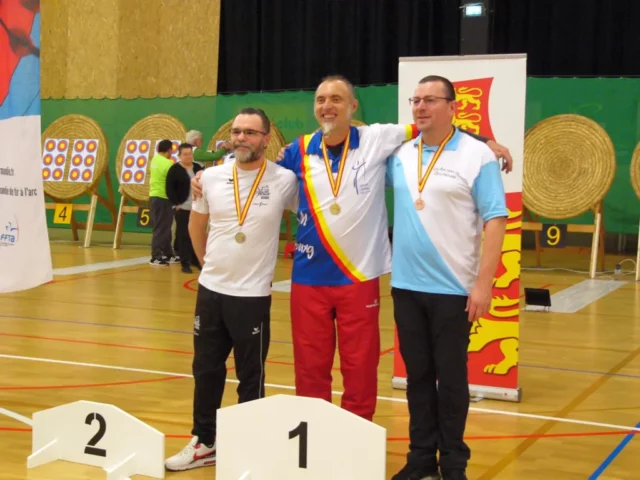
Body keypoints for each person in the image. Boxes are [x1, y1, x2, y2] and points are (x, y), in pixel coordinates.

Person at [190, 75, 513, 422]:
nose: (327, 106)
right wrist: (204, 178)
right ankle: (315, 434)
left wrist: (485, 141)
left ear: (353, 106)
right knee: (310, 368)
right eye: (320, 100)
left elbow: (433, 126)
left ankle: (357, 437)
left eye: (336, 99)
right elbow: (254, 174)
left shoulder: (378, 138)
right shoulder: (297, 150)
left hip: (358, 275)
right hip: (309, 279)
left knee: (360, 366)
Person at [386, 75, 508, 480]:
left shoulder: (478, 156)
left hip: (454, 290)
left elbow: (495, 219)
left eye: (430, 100)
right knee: (417, 378)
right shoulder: (400, 154)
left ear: (452, 107)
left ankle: (453, 463)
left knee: (452, 380)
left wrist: (483, 284)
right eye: (416, 100)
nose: (420, 107)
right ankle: (421, 457)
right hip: (406, 288)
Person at [164, 108, 298, 472]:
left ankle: (248, 445)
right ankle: (204, 441)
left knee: (251, 375)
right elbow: (196, 225)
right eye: (237, 131)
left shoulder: (285, 180)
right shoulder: (209, 177)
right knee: (205, 368)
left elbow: (312, 213)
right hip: (211, 292)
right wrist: (207, 265)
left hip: (252, 296)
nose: (241, 138)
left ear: (266, 139)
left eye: (250, 132)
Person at [165, 143, 203, 274]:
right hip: (182, 208)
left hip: (197, 208)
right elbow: (169, 189)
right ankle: (185, 263)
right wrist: (176, 204)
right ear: (180, 156)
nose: (188, 157)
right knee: (184, 235)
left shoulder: (198, 167)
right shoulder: (174, 170)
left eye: (190, 154)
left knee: (196, 235)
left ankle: (197, 260)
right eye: (185, 154)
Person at [149, 139, 179, 266]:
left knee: (165, 227)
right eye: (171, 150)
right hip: (164, 198)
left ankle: (167, 254)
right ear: (169, 150)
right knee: (161, 228)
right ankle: (155, 257)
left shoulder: (154, 160)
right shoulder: (168, 163)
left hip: (154, 197)